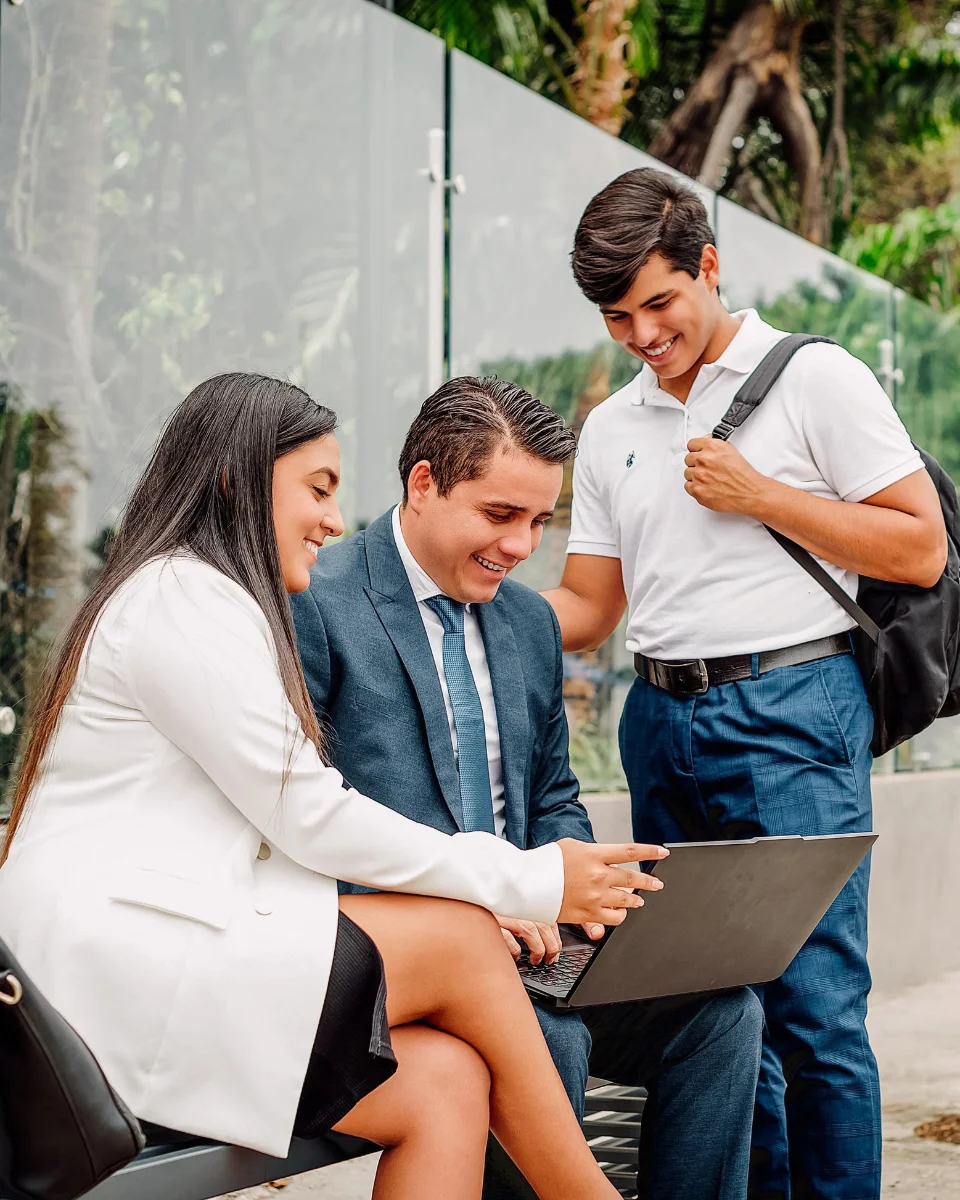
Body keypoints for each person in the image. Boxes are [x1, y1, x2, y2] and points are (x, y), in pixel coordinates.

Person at [0, 372, 664, 1200]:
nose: (332, 519)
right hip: (114, 984)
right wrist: (529, 877)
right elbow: (310, 814)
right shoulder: (180, 597)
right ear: (237, 482)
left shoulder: (206, 599)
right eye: (316, 489)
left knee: (445, 1082)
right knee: (460, 939)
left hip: (173, 959)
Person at [543, 167, 949, 1200]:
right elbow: (591, 606)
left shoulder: (819, 379)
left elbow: (920, 549)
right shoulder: (610, 429)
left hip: (794, 712)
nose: (642, 333)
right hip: (661, 719)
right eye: (618, 316)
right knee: (716, 1010)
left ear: (709, 267)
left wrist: (762, 495)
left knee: (813, 1010)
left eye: (660, 303)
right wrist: (454, 595)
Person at [291, 375, 764, 1200]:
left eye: (541, 521)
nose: (521, 547)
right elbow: (310, 822)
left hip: (542, 938)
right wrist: (483, 903)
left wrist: (582, 888)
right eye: (500, 515)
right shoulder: (319, 603)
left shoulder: (529, 624)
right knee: (555, 1038)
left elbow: (551, 795)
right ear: (425, 482)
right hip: (417, 947)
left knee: (724, 1015)